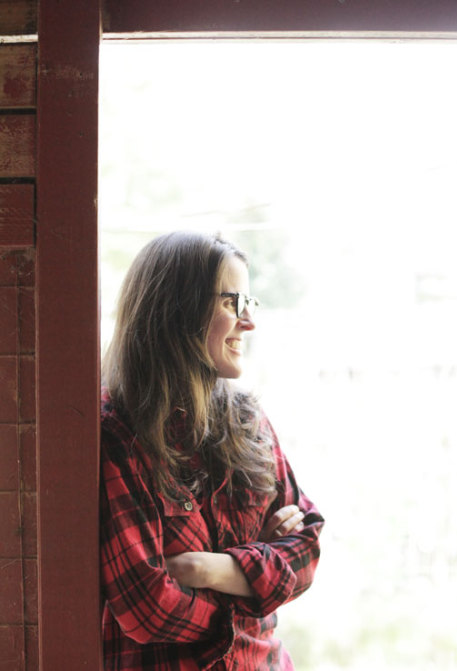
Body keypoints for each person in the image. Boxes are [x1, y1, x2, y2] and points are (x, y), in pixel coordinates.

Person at [100, 230, 324, 670]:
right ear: (176, 309)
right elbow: (147, 607)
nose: (249, 321)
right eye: (230, 303)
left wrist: (209, 570)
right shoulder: (118, 431)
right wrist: (258, 580)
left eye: (249, 303)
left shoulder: (247, 420)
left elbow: (308, 547)